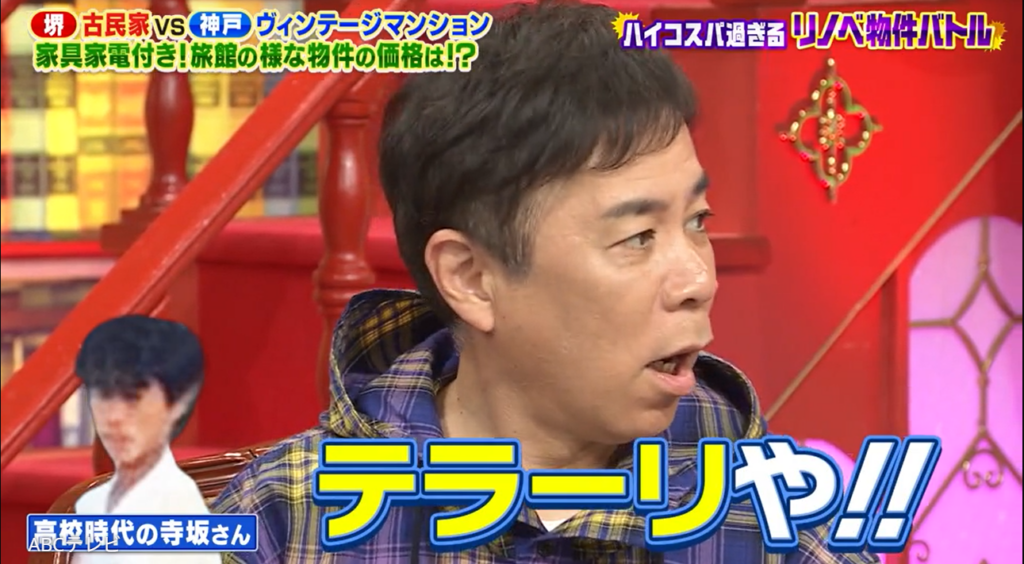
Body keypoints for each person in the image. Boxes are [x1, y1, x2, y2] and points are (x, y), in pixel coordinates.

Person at [212, 2, 880, 563]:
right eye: (638, 236)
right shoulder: (288, 519)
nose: (698, 280)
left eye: (697, 221)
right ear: (472, 278)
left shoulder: (776, 519)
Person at [74, 315, 219, 564]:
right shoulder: (91, 504)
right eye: (104, 394)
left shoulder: (179, 511)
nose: (114, 417)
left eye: (132, 397)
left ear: (177, 405)